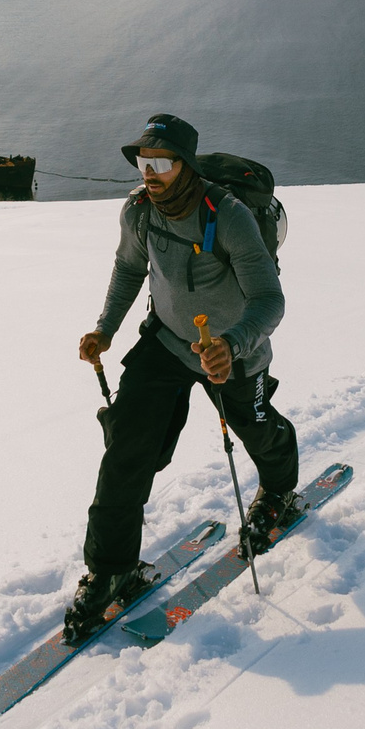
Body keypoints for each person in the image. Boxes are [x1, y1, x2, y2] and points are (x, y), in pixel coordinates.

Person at [67, 112, 297, 642]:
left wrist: (233, 345)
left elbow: (269, 299)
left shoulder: (231, 216)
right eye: (143, 161)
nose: (149, 172)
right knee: (127, 449)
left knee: (257, 430)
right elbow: (129, 269)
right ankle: (111, 568)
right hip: (168, 342)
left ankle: (281, 491)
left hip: (232, 352)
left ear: (186, 166)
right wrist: (105, 330)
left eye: (162, 163)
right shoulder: (138, 212)